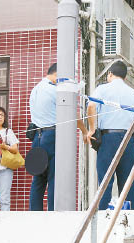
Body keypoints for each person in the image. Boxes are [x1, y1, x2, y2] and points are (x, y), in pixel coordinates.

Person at [29, 63, 87, 211]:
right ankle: (55, 214)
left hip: (37, 137)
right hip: (53, 136)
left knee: (38, 179)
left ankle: (34, 215)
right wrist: (85, 131)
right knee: (55, 177)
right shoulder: (56, 91)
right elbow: (74, 114)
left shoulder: (35, 89)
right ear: (57, 75)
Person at [86, 61, 134, 210]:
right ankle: (132, 221)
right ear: (125, 77)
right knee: (128, 183)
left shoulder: (102, 89)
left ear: (110, 74)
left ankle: (103, 219)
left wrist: (92, 129)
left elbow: (91, 106)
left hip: (108, 139)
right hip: (127, 139)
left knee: (105, 181)